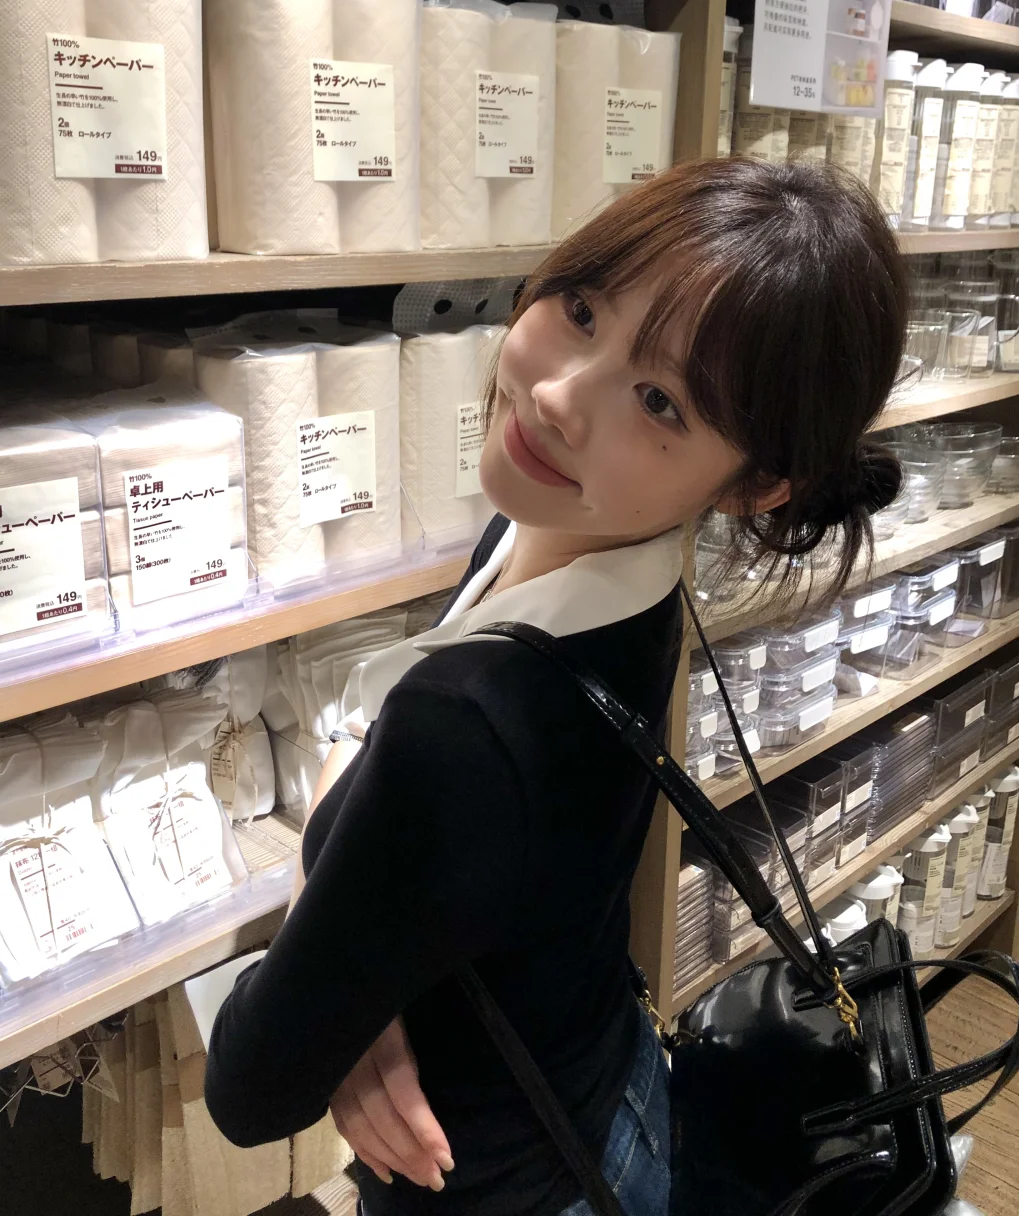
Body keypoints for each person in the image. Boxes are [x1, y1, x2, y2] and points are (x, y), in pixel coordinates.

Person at [205, 157, 908, 1215]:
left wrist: (332, 970)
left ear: (755, 485)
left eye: (660, 401)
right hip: (600, 1090)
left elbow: (249, 1087)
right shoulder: (587, 549)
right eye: (581, 309)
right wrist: (351, 954)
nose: (556, 395)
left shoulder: (470, 721)